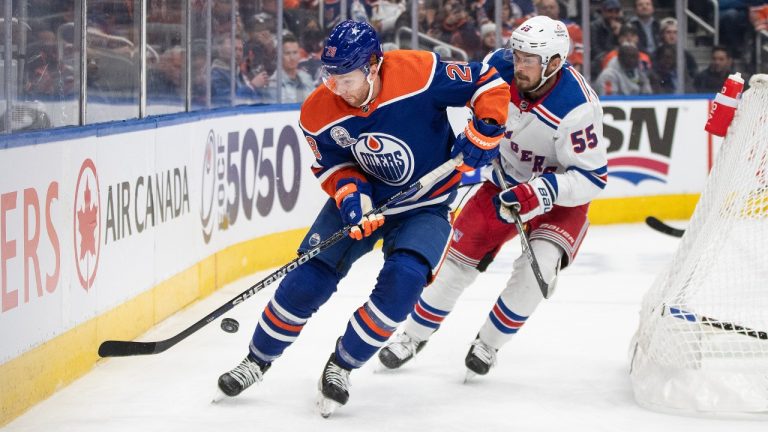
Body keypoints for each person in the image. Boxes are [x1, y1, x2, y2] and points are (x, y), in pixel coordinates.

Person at [216, 19, 510, 416]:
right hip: (366, 201)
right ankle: (256, 359)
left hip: (427, 204)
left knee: (404, 284)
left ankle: (342, 365)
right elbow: (332, 168)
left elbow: (488, 81)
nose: (338, 88)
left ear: (374, 65)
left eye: (348, 78)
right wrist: (354, 197)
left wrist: (486, 129)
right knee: (307, 279)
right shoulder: (318, 111)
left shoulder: (419, 71)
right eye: (331, 78)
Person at [378, 15, 607, 379]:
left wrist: (543, 191)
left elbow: (593, 177)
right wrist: (477, 133)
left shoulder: (578, 108)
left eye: (528, 60)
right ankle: (413, 336)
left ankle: (488, 343)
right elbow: (471, 103)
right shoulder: (497, 67)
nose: (518, 65)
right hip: (503, 183)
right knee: (455, 264)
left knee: (538, 272)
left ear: (555, 63)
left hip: (557, 200)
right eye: (517, 55)